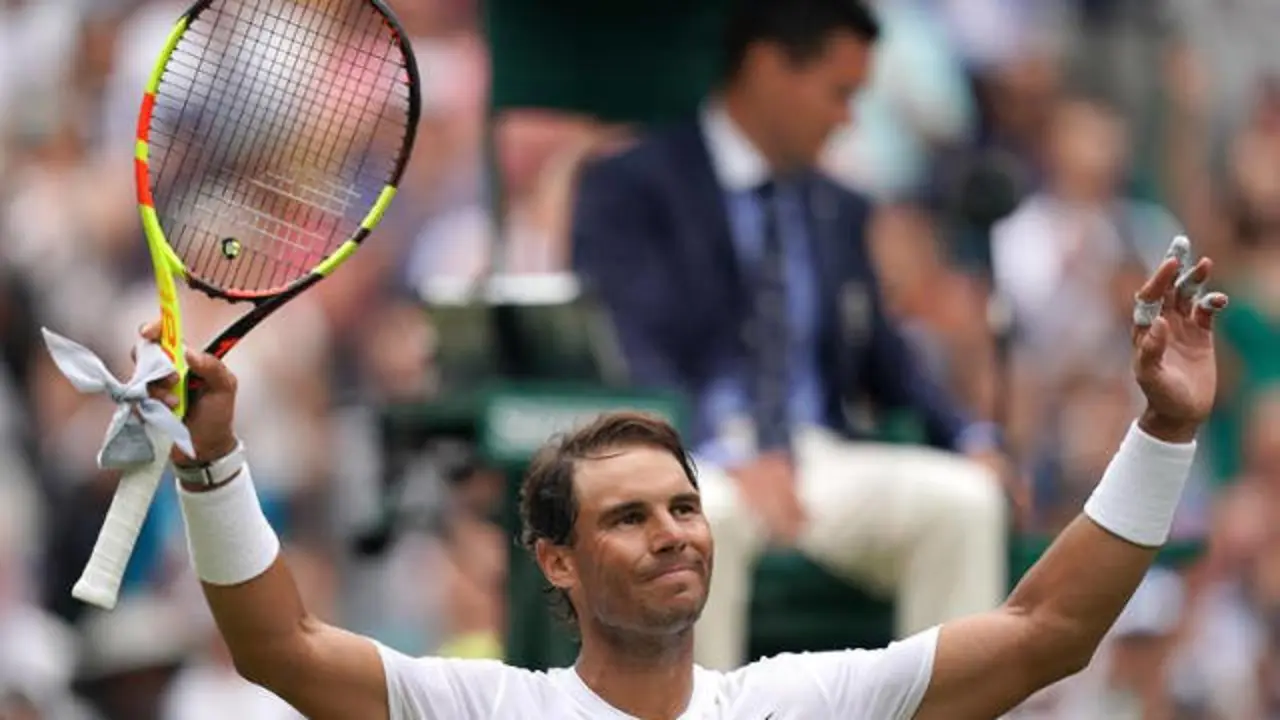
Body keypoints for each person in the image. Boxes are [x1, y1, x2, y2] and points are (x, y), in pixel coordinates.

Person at [136, 234, 1224, 719]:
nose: (673, 532)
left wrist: (1161, 434)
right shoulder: (484, 708)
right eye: (628, 517)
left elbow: (1045, 633)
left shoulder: (804, 703)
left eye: (685, 507)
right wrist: (215, 464)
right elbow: (277, 649)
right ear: (553, 561)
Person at [570, 0, 1012, 668]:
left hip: (815, 462)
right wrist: (712, 449)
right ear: (769, 67)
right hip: (692, 455)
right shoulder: (632, 185)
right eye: (839, 93)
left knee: (964, 502)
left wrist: (969, 439)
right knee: (696, 517)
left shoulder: (838, 205)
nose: (848, 118)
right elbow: (627, 345)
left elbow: (886, 358)